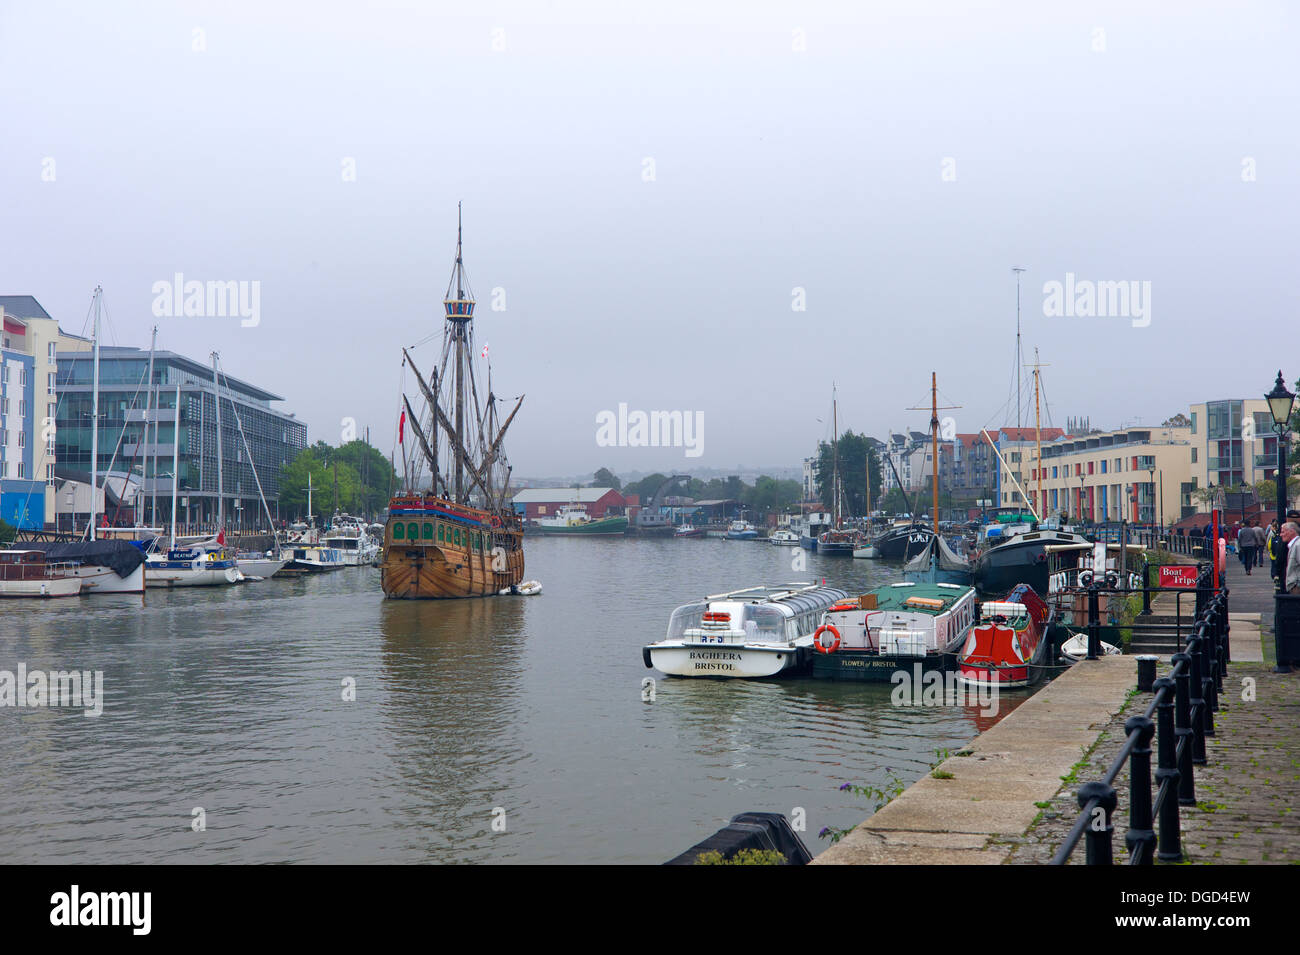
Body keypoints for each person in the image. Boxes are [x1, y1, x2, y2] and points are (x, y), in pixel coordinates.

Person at [1284, 522, 1300, 594]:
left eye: (1283, 532)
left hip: (1297, 586)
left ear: (1292, 531)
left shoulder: (1298, 545)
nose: (1281, 534)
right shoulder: (1295, 545)